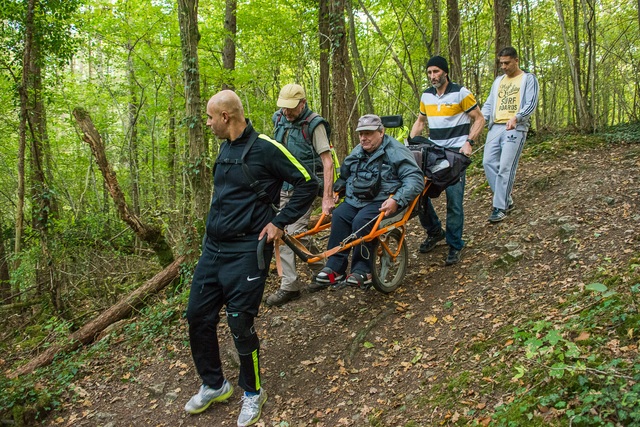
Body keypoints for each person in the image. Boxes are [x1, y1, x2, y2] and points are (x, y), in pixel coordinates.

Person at [184, 90, 317, 426]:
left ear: (226, 116)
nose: (208, 123)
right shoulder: (225, 147)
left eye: (211, 118)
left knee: (240, 324)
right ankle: (214, 384)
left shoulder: (266, 148)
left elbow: (306, 183)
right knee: (197, 316)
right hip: (212, 250)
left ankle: (253, 392)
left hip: (246, 251)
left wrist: (278, 222)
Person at [309, 114, 424, 290]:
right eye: (361, 133)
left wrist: (397, 199)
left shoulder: (396, 151)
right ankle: (335, 269)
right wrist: (338, 189)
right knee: (339, 216)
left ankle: (363, 270)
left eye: (369, 133)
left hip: (383, 200)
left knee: (361, 221)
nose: (364, 138)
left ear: (381, 132)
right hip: (356, 199)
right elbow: (346, 174)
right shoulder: (358, 150)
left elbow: (415, 180)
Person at [409, 55, 485, 265]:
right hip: (433, 153)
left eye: (436, 71)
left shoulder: (461, 93)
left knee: (454, 200)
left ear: (445, 72)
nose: (433, 76)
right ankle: (434, 232)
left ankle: (454, 244)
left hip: (455, 155)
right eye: (429, 72)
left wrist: (469, 142)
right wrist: (410, 143)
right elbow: (420, 121)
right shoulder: (426, 96)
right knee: (419, 195)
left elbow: (479, 118)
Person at [264, 84, 335, 307]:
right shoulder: (279, 119)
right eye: (284, 108)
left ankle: (289, 285)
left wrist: (326, 197)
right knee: (289, 233)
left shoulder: (315, 125)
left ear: (302, 103)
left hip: (306, 187)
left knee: (291, 232)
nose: (287, 112)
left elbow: (328, 162)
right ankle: (324, 270)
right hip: (283, 186)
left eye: (291, 108)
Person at [482, 47, 539, 223]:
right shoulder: (498, 81)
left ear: (516, 60)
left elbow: (531, 103)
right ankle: (506, 199)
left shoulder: (528, 79)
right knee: (488, 163)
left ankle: (500, 207)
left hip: (515, 127)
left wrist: (517, 117)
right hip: (496, 127)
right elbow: (489, 104)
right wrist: (481, 120)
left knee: (505, 167)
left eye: (507, 63)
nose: (504, 67)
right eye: (501, 63)